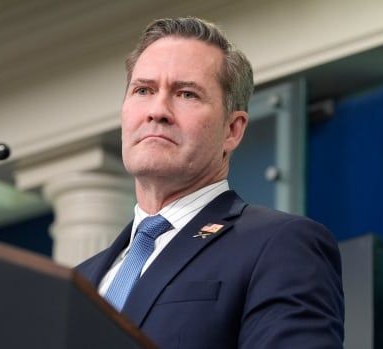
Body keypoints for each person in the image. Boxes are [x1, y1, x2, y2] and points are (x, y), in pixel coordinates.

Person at [76, 17, 344, 348]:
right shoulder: (79, 280)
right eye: (143, 90)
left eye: (186, 94)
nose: (157, 111)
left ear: (233, 129)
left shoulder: (278, 245)